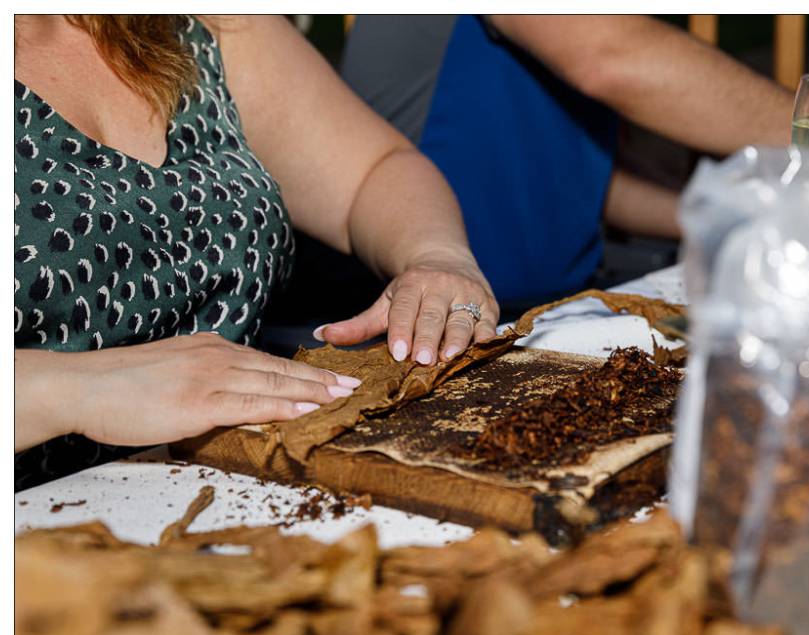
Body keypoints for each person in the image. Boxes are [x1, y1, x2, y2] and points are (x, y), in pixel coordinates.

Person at [14, 14, 500, 488]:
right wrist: (75, 390)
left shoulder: (195, 21)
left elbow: (373, 171)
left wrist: (435, 255)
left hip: (243, 482)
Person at [341, 14, 809, 307]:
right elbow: (610, 58)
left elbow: (577, 175)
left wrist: (738, 212)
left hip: (546, 313)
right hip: (406, 317)